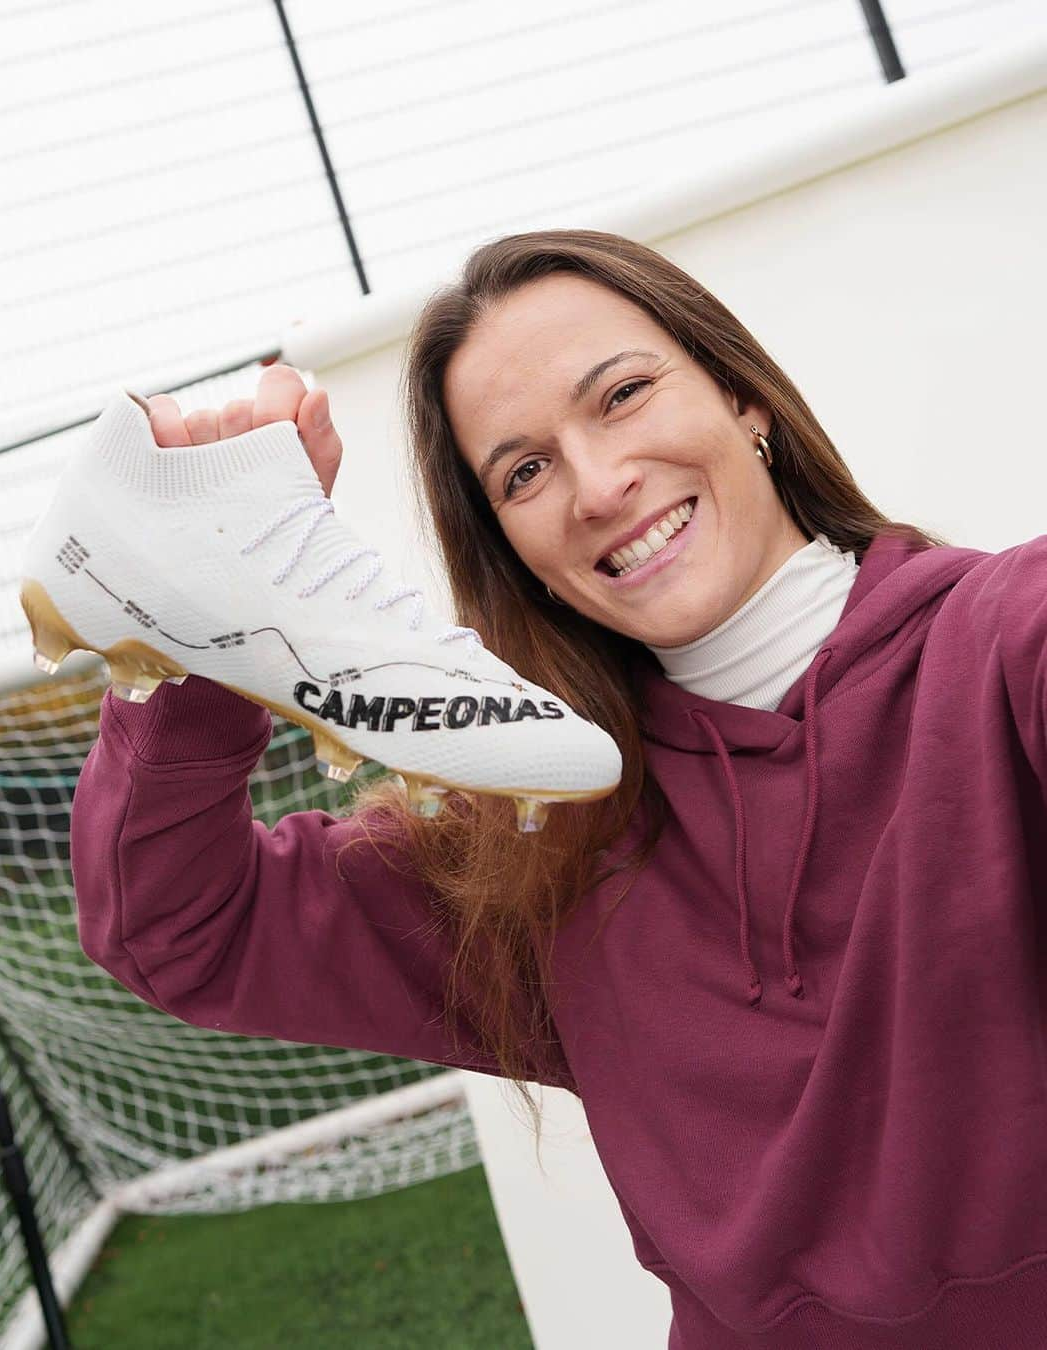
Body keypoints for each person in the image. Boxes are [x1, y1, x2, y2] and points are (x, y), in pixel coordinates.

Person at [70, 229, 1047, 1348]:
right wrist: (209, 621)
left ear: (745, 400)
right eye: (523, 471)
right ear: (512, 550)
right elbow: (176, 925)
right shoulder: (541, 843)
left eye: (623, 395)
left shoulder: (1004, 644)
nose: (598, 485)